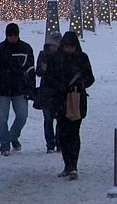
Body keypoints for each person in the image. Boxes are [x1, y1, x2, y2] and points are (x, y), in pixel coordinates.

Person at [43, 31, 94, 180]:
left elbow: (90, 77)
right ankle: (68, 165)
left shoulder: (82, 58)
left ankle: (73, 165)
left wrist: (80, 83)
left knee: (73, 133)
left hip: (76, 100)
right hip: (60, 101)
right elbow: (49, 78)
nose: (69, 50)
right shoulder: (55, 59)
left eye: (71, 47)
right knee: (63, 135)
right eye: (66, 47)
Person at [0, 22, 35, 156]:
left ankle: (11, 138)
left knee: (22, 116)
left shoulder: (25, 48)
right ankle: (5, 145)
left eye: (14, 35)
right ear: (7, 35)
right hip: (3, 90)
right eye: (10, 35)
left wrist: (31, 88)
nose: (12, 38)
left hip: (19, 90)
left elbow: (30, 70)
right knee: (2, 119)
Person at [36, 31, 63, 153]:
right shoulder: (43, 55)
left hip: (57, 92)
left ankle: (58, 142)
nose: (54, 48)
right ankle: (50, 144)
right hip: (47, 92)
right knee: (48, 119)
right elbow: (38, 72)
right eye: (53, 45)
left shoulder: (62, 56)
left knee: (59, 119)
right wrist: (43, 69)